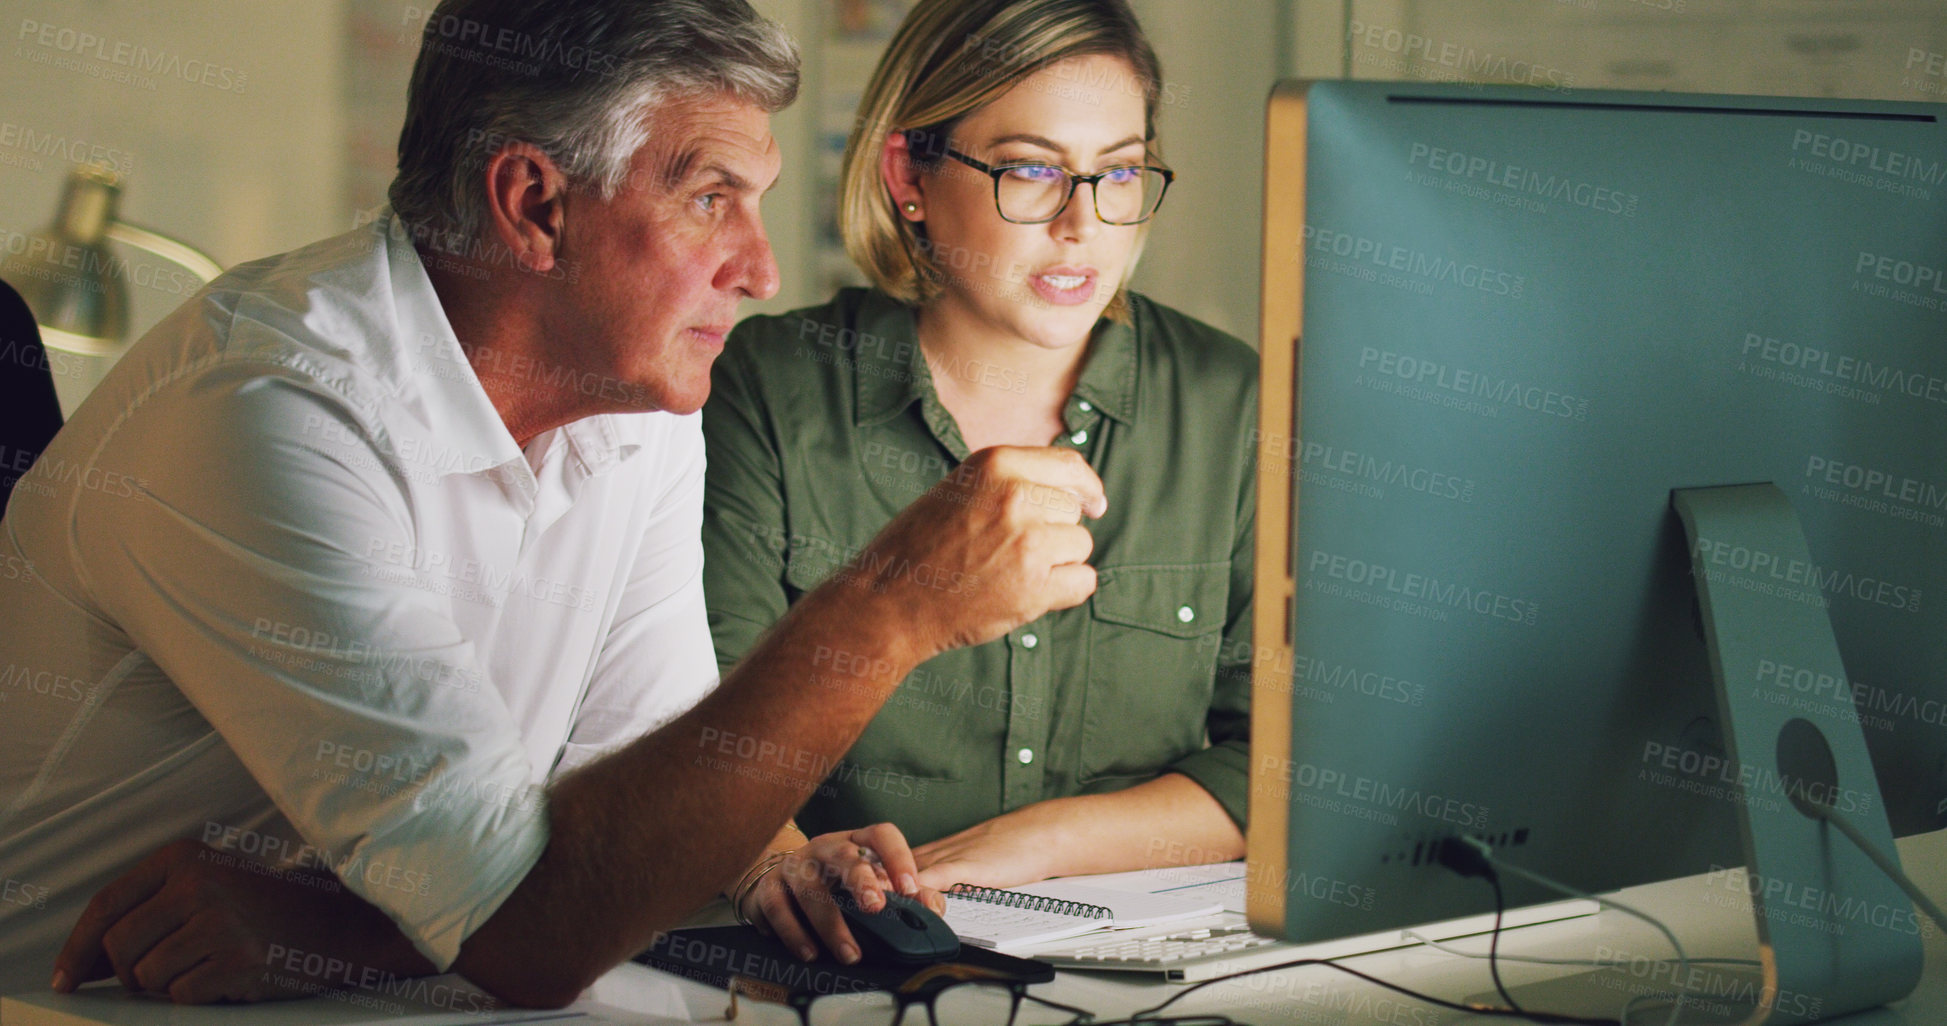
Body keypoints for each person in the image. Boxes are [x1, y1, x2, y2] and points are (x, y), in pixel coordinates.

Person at [0, 0, 1108, 1006]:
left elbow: (641, 826)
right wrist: (889, 607)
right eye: (712, 198)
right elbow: (533, 930)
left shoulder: (640, 403)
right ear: (535, 205)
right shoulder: (272, 418)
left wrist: (342, 927)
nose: (763, 271)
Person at [703, 0, 1257, 958]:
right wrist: (775, 860)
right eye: (1032, 170)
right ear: (907, 176)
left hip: (1154, 962)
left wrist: (1027, 846)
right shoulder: (771, 386)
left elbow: (1289, 762)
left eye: (1118, 172)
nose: (1083, 224)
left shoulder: (1228, 402)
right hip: (846, 960)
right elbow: (692, 719)